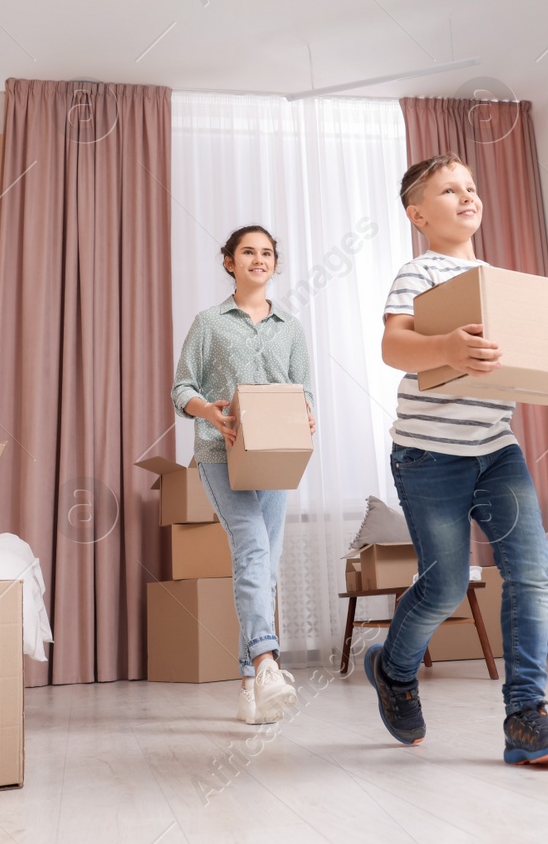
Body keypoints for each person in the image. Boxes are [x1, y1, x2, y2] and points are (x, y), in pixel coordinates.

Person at [365, 153, 548, 766]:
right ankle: (394, 670)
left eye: (471, 187)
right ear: (418, 213)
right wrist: (447, 348)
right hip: (429, 454)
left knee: (532, 570)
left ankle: (525, 715)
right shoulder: (419, 272)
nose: (467, 196)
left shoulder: (498, 280)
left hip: (496, 449)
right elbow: (393, 345)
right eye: (448, 190)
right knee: (447, 582)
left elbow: (547, 350)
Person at [172, 225, 318, 724]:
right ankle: (266, 664)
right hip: (220, 452)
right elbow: (181, 387)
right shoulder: (209, 323)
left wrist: (309, 414)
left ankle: (247, 684)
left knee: (264, 565)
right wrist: (209, 413)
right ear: (229, 262)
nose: (259, 259)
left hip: (276, 455)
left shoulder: (291, 328)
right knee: (253, 548)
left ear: (275, 264)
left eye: (267, 253)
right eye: (248, 252)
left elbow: (305, 392)